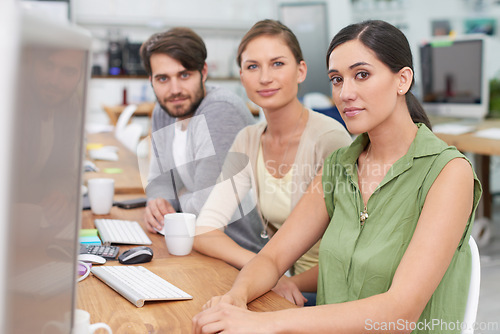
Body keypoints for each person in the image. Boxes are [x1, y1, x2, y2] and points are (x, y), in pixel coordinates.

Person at [192, 20, 482, 333]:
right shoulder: (339, 166)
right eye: (336, 79)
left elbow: (399, 313)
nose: (345, 93)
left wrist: (265, 322)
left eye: (362, 75)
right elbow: (272, 259)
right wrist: (235, 298)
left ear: (403, 80)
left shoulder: (449, 172)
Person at [192, 19, 352, 306]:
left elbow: (353, 254)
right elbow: (204, 232)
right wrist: (266, 270)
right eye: (253, 66)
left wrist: (279, 277)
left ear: (300, 71)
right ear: (241, 76)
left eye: (277, 63)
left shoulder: (329, 139)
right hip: (283, 285)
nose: (265, 78)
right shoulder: (248, 139)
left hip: (331, 293)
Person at [139, 27, 257, 238]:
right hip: (191, 239)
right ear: (151, 81)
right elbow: (161, 184)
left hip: (238, 248)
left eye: (184, 75)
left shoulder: (220, 110)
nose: (174, 89)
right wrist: (157, 206)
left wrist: (178, 197)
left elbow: (205, 209)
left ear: (203, 73)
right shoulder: (165, 110)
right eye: (163, 79)